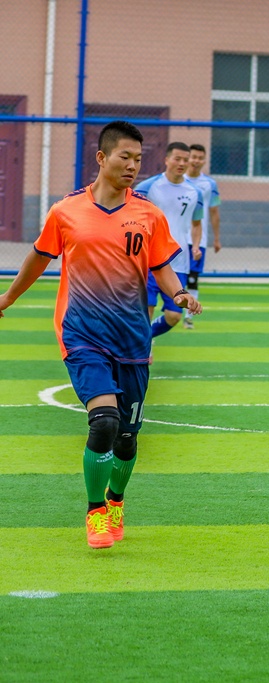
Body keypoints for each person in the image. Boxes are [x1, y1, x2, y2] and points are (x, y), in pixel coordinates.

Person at [0, 121, 201, 549]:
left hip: (132, 339)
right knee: (105, 422)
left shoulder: (148, 214)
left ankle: (116, 500)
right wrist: (8, 298)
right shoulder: (66, 211)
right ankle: (95, 512)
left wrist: (180, 293)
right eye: (125, 157)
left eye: (138, 159)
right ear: (101, 157)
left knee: (127, 439)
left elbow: (161, 266)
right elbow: (38, 258)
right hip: (82, 334)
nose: (133, 166)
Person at [135, 142, 203, 340]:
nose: (182, 163)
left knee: (174, 316)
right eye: (177, 159)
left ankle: (146, 339)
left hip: (178, 262)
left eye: (185, 160)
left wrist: (196, 245)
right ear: (166, 160)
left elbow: (196, 224)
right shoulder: (147, 187)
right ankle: (144, 348)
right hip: (149, 260)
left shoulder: (195, 192)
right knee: (146, 312)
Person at [181, 143, 222, 329]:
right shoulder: (178, 180)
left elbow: (214, 212)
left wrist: (216, 238)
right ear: (187, 158)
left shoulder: (209, 184)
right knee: (173, 277)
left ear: (204, 161)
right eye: (193, 157)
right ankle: (169, 313)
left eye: (200, 158)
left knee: (192, 277)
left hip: (199, 239)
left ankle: (188, 316)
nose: (196, 161)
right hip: (177, 238)